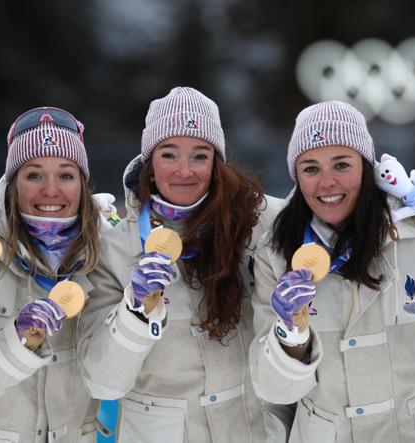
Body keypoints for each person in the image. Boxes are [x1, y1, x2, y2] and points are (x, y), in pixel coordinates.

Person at [250, 100, 415, 442]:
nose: (327, 182)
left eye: (341, 164)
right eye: (311, 168)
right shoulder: (276, 253)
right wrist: (291, 337)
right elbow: (275, 392)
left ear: (367, 167)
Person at [78, 87, 286, 442]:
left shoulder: (258, 221)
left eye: (200, 156)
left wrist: (397, 206)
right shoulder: (114, 248)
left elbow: (326, 211)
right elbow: (102, 381)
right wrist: (135, 312)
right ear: (149, 163)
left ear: (216, 163)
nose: (184, 171)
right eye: (169, 154)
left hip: (249, 430)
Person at [0, 107, 111, 443]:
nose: (50, 190)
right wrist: (15, 341)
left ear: (83, 187)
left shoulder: (103, 258)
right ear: (12, 186)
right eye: (34, 175)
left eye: (66, 175)